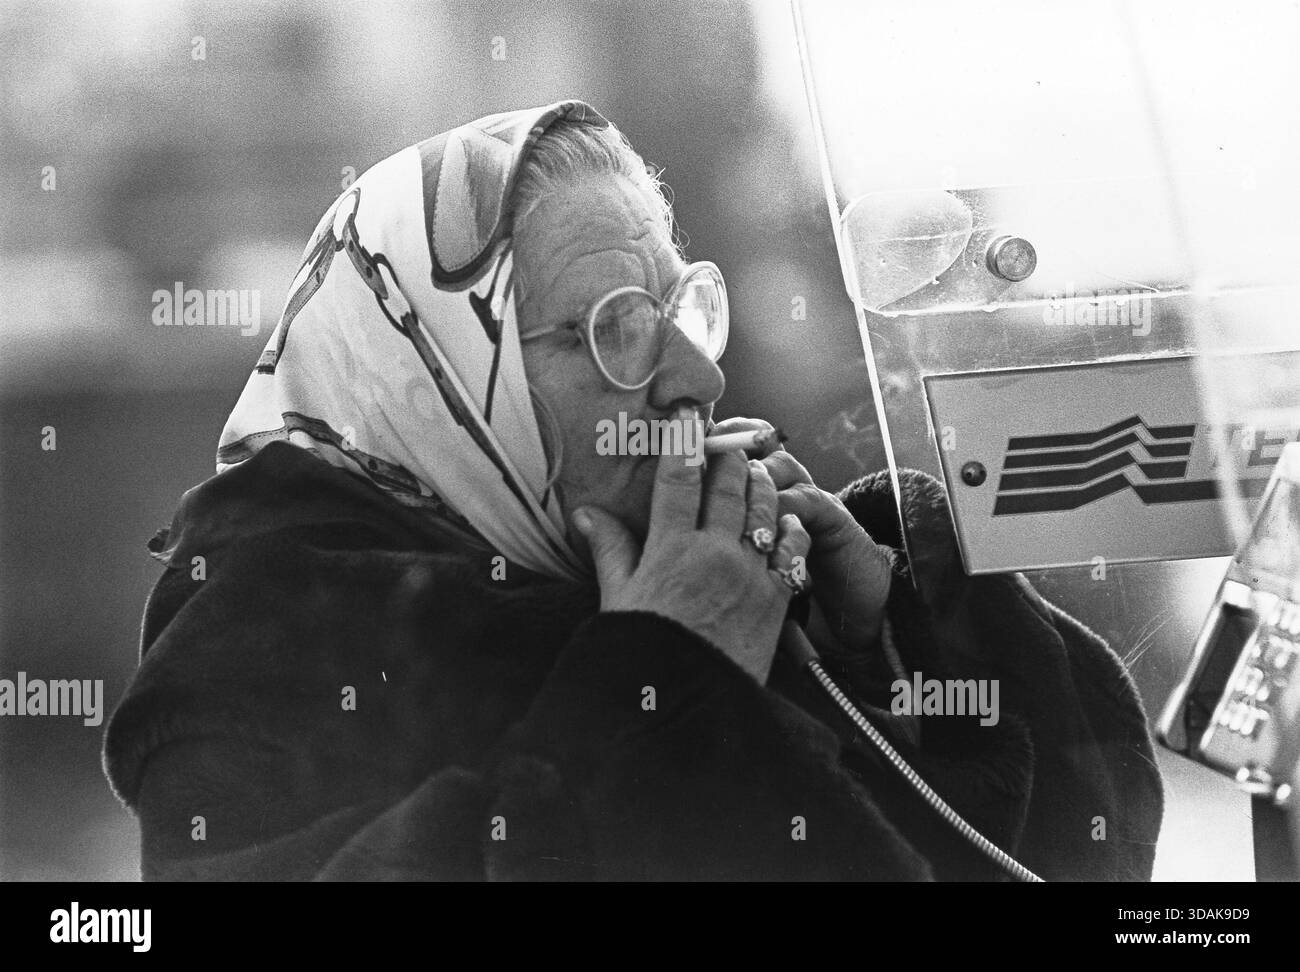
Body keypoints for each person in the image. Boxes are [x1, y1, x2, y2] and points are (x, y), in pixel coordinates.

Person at [103, 101, 1162, 880]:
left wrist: (894, 643)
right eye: (611, 327)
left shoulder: (718, 588)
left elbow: (1095, 860)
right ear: (435, 381)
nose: (696, 376)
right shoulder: (264, 655)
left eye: (683, 311)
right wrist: (666, 682)